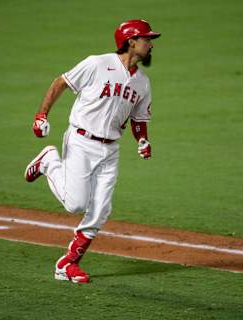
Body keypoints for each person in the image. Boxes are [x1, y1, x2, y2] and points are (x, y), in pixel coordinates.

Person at [24, 19, 161, 284]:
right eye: (146, 39)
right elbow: (60, 82)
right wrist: (41, 115)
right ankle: (49, 160)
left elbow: (139, 119)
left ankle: (67, 264)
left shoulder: (142, 83)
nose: (150, 44)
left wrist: (143, 141)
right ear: (131, 41)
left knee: (100, 210)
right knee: (75, 203)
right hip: (81, 141)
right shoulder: (97, 64)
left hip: (111, 149)